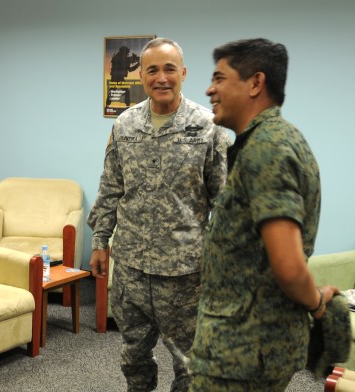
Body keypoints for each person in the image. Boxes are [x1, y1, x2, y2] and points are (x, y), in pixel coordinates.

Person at [188, 38, 340, 391]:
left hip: (242, 353)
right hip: (246, 344)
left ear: (256, 83)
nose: (210, 89)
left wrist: (317, 305)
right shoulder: (268, 141)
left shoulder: (268, 149)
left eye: (220, 78)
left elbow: (287, 265)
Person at [87, 37, 230, 391]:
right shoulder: (124, 125)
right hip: (132, 265)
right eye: (152, 70)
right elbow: (111, 188)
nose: (161, 77)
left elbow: (227, 202)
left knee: (189, 362)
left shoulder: (209, 127)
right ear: (141, 76)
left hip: (185, 272)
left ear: (182, 73)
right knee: (133, 354)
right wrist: (100, 242)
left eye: (169, 69)